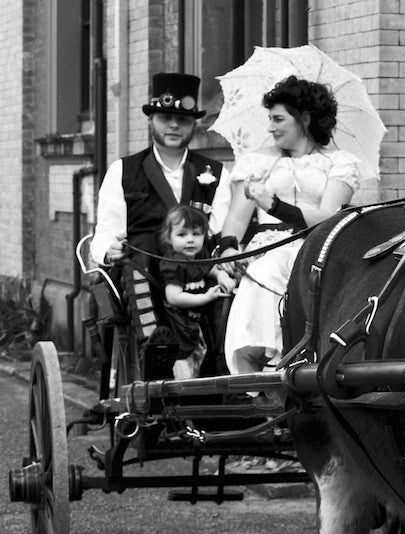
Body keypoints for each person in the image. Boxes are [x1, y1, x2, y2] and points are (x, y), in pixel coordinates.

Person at [217, 75, 363, 376]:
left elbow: (328, 215)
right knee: (263, 269)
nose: (270, 127)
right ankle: (259, 367)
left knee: (277, 268)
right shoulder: (258, 163)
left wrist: (274, 206)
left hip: (319, 247)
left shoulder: (339, 163)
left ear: (305, 119)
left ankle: (299, 358)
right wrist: (227, 249)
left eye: (278, 119)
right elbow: (236, 218)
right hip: (267, 249)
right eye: (269, 119)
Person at [89, 72, 232, 375]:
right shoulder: (123, 171)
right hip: (144, 272)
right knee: (139, 251)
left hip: (197, 271)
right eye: (165, 117)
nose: (174, 126)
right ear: (151, 119)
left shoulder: (215, 174)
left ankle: (221, 367)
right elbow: (105, 233)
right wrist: (108, 249)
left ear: (195, 124)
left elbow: (219, 232)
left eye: (183, 120)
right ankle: (155, 347)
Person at [158, 206, 235, 379]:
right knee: (184, 364)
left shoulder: (196, 258)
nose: (190, 240)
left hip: (196, 322)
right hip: (180, 324)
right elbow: (174, 297)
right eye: (182, 235)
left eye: (196, 234)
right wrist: (206, 297)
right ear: (169, 238)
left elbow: (210, 268)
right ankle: (182, 397)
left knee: (202, 357)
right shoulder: (173, 264)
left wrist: (221, 275)